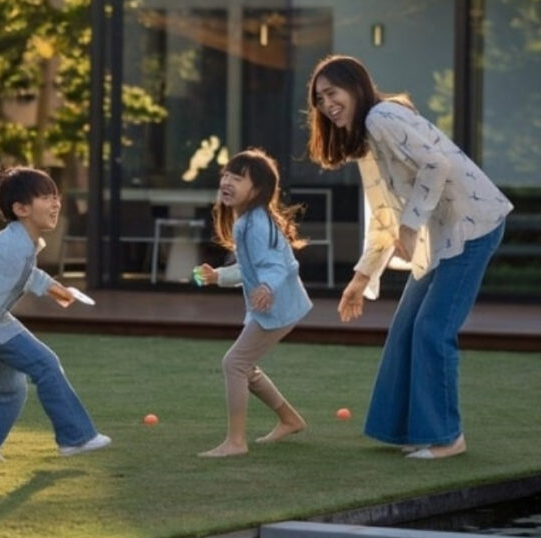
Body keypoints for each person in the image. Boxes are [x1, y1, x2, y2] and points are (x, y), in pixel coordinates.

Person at [306, 55, 512, 459]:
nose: (327, 105)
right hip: (443, 236)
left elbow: (437, 164)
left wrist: (412, 224)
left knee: (432, 330)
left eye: (332, 93)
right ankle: (404, 430)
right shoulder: (368, 137)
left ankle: (447, 437)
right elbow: (384, 216)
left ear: (355, 86)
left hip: (473, 225)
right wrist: (361, 278)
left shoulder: (381, 116)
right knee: (406, 328)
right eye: (320, 99)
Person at [0, 167, 110, 462]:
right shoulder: (10, 248)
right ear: (21, 209)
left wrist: (56, 290)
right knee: (46, 364)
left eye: (56, 196)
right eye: (46, 198)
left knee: (11, 391)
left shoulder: (20, 242)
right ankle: (76, 438)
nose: (56, 204)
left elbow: (26, 274)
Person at [193, 149, 312, 458]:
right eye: (226, 176)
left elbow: (276, 266)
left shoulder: (256, 224)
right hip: (272, 305)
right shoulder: (247, 221)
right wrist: (217, 276)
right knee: (245, 366)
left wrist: (267, 286)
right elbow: (249, 270)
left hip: (278, 306)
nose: (227, 182)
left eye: (237, 177)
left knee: (234, 364)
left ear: (257, 190)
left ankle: (236, 441)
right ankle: (290, 419)